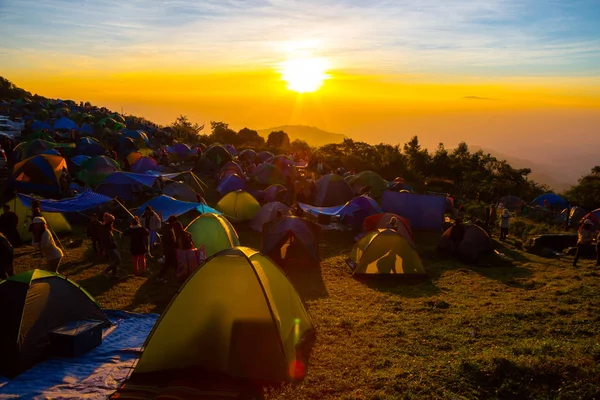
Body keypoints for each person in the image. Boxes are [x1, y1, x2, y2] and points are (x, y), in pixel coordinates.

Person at [157, 216, 177, 283]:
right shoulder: (169, 230)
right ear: (173, 221)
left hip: (168, 249)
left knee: (172, 263)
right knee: (168, 263)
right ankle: (159, 277)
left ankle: (177, 275)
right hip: (170, 249)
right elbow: (170, 240)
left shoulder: (168, 228)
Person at [100, 213, 121, 279]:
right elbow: (107, 241)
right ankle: (105, 271)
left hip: (109, 247)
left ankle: (113, 274)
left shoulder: (107, 228)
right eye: (112, 221)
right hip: (109, 247)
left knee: (114, 260)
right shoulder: (105, 230)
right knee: (118, 260)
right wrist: (114, 244)